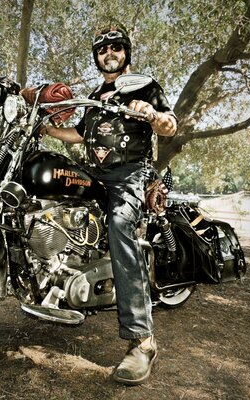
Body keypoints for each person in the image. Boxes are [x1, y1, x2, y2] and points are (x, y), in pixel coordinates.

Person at [41, 27, 177, 385]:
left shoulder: (144, 86)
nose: (109, 53)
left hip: (132, 174)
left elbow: (170, 125)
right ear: (97, 56)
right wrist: (48, 130)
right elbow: (80, 134)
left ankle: (142, 342)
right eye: (102, 49)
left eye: (116, 47)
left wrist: (150, 113)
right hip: (96, 172)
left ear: (126, 52)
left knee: (119, 224)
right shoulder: (95, 95)